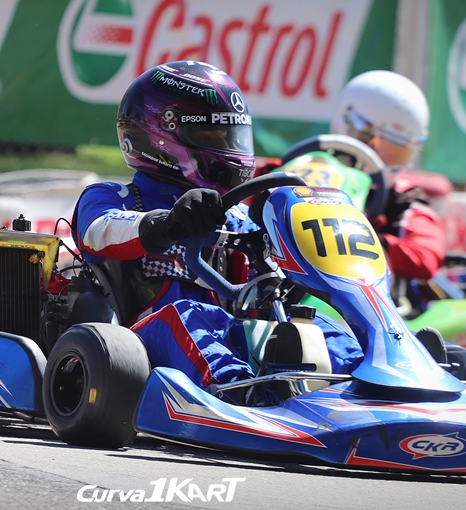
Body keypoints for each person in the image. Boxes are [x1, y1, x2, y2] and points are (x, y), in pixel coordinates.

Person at [70, 61, 363, 391]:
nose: (227, 145)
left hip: (228, 335)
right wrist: (167, 223)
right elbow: (99, 231)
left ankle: (374, 384)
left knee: (312, 323)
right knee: (184, 316)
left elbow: (264, 288)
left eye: (230, 135)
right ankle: (233, 391)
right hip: (140, 346)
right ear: (156, 137)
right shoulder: (115, 197)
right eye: (209, 134)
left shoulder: (237, 216)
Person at [328, 70, 446, 282]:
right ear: (347, 123)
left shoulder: (402, 197)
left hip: (359, 288)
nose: (388, 162)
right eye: (379, 147)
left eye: (398, 152)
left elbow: (427, 255)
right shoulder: (301, 169)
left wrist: (362, 242)